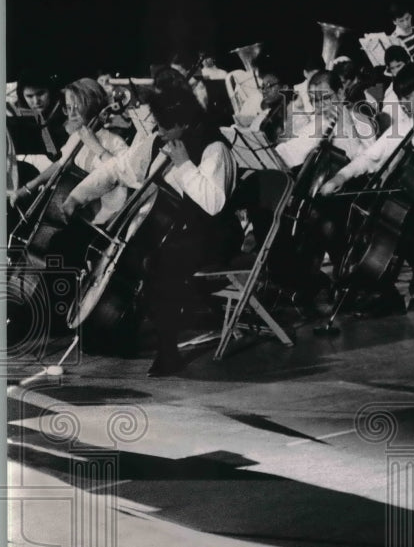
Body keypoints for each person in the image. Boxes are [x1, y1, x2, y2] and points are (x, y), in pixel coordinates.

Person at [62, 86, 242, 376]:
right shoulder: (161, 141)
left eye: (162, 126)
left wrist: (184, 165)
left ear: (183, 124)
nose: (157, 131)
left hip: (212, 235)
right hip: (170, 230)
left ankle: (168, 350)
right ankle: (114, 326)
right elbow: (118, 169)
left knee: (159, 263)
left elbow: (213, 203)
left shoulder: (214, 148)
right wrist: (78, 197)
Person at [318, 63, 414, 325]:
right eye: (400, 102)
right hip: (409, 204)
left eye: (406, 101)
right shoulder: (401, 128)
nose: (403, 107)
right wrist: (340, 177)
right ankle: (382, 293)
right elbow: (369, 156)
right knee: (350, 214)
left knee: (411, 227)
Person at [9, 78, 129, 224]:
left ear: (93, 106)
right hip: (79, 214)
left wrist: (96, 146)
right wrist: (26, 189)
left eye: (76, 107)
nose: (71, 114)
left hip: (106, 218)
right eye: (68, 107)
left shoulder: (114, 141)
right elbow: (61, 163)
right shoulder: (76, 136)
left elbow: (124, 175)